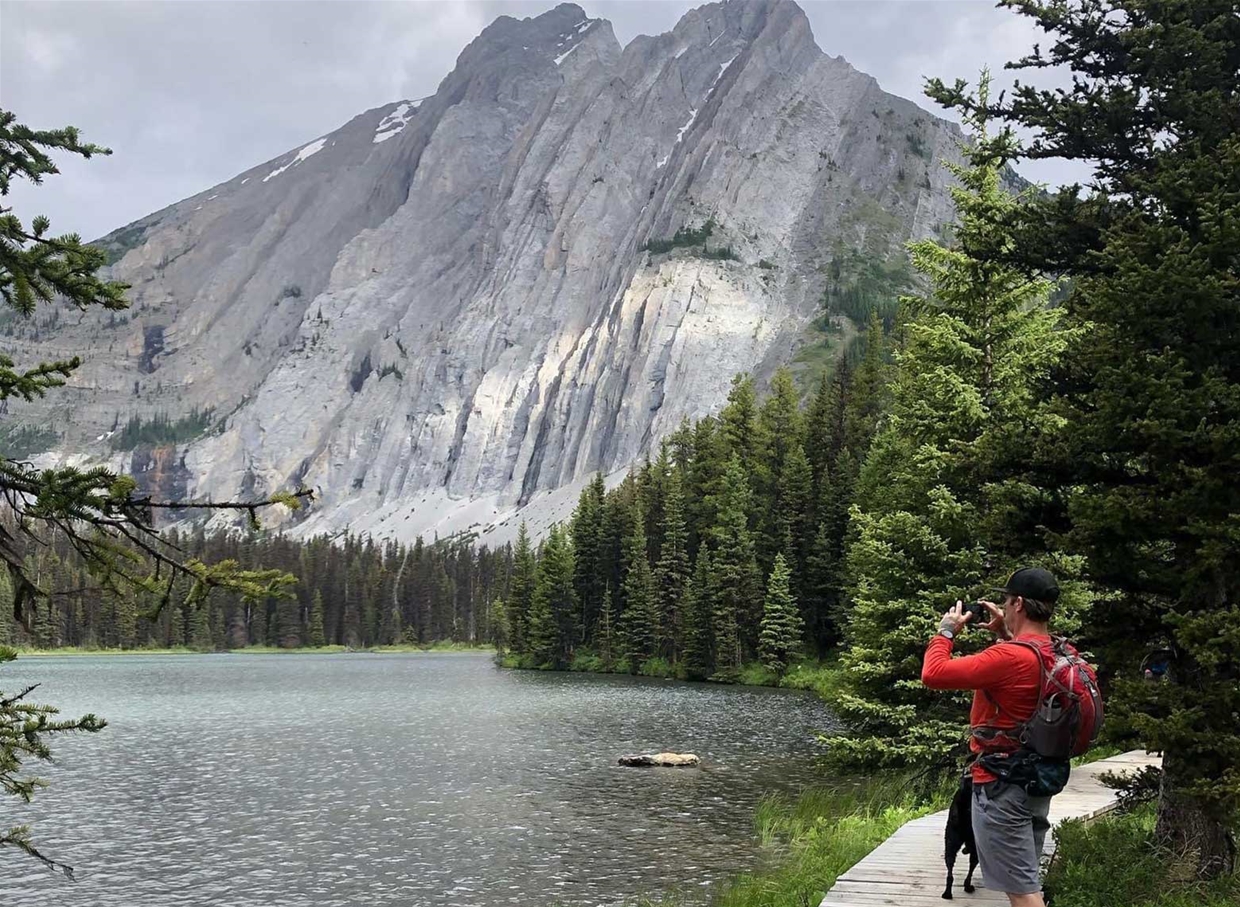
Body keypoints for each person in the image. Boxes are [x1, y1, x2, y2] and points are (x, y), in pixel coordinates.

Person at [921, 567, 1061, 907]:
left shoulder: (1008, 657)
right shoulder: (1056, 651)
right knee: (1025, 875)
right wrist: (1006, 632)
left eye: (1006, 600)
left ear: (1017, 605)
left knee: (1022, 889)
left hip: (1001, 783)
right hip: (1038, 779)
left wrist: (946, 632)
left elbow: (933, 673)